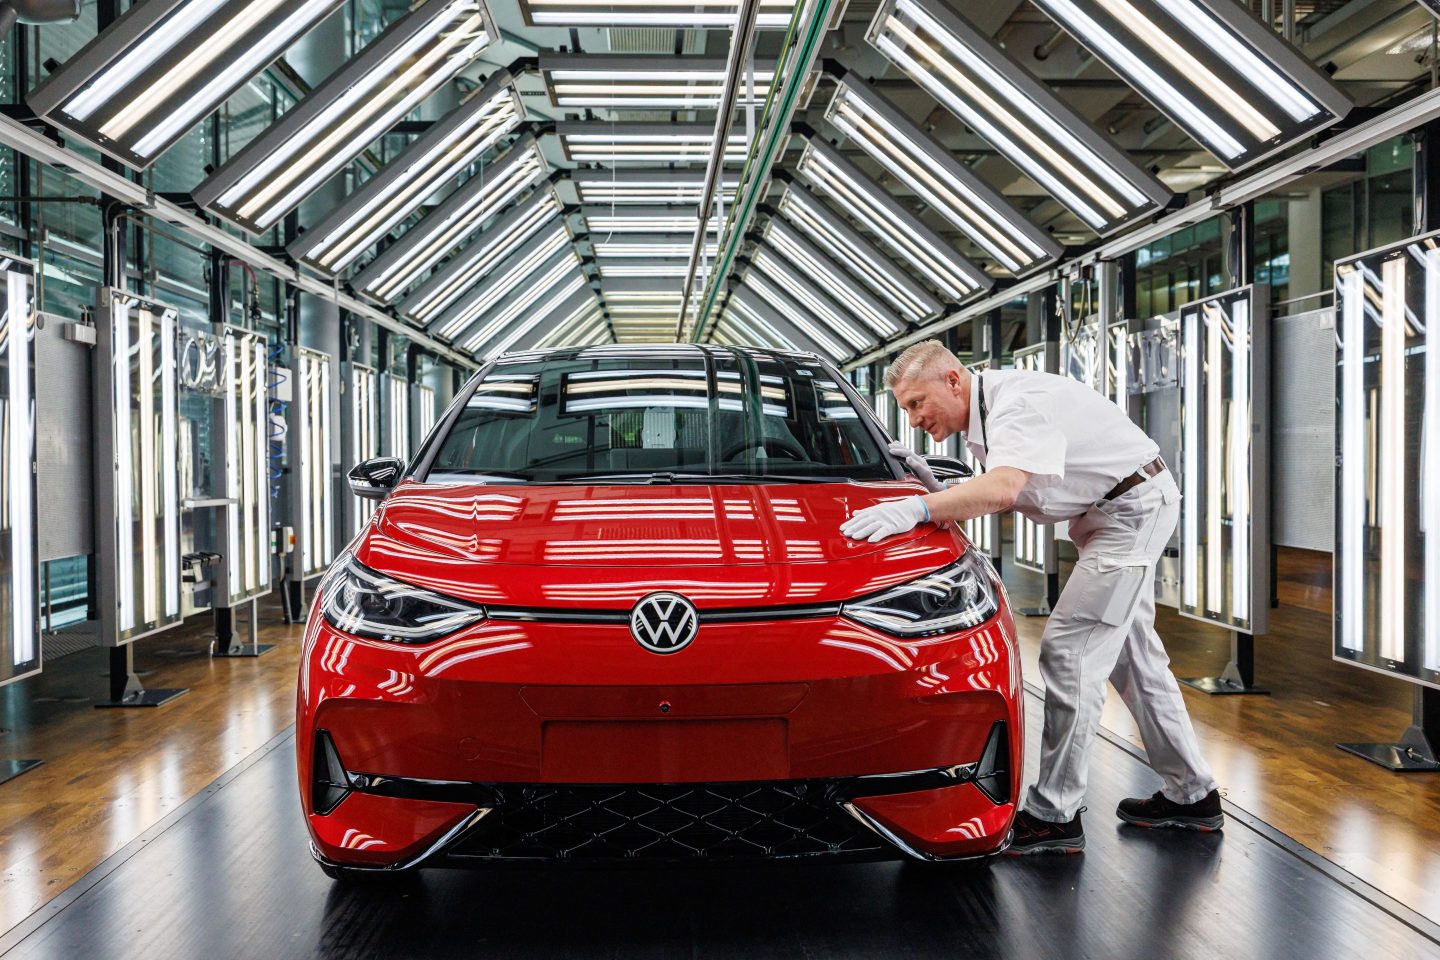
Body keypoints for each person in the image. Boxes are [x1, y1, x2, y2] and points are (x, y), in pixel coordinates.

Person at [841, 340, 1222, 855]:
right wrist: (935, 488)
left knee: (1070, 653)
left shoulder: (1014, 405)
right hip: (1111, 514)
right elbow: (1012, 487)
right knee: (1135, 660)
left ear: (953, 380)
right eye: (906, 408)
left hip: (1129, 516)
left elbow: (1002, 489)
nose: (913, 420)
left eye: (917, 403)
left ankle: (1054, 816)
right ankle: (1192, 795)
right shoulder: (989, 410)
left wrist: (920, 508)